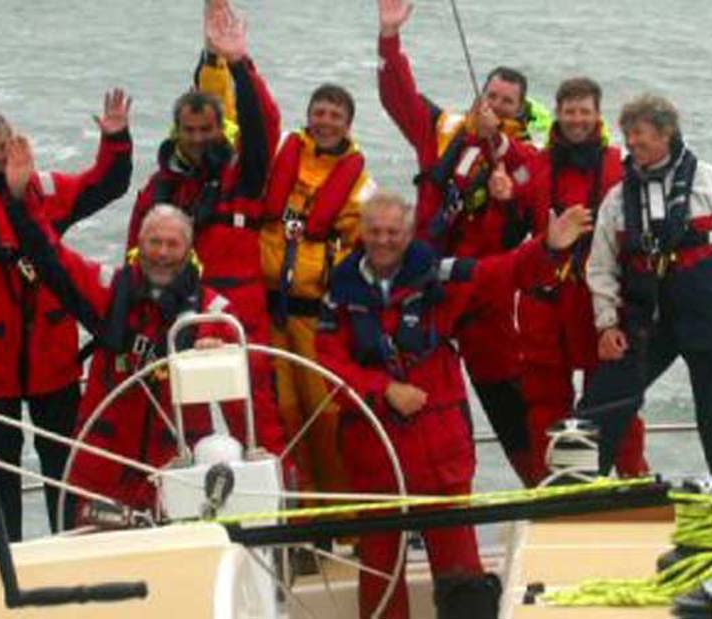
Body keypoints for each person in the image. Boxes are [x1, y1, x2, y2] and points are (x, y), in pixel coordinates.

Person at [317, 190, 592, 618]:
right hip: (372, 450)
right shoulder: (340, 291)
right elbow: (330, 365)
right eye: (374, 231)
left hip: (439, 452)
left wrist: (549, 246)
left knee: (461, 572)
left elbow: (502, 273)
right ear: (361, 233)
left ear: (408, 234)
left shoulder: (440, 276)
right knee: (379, 574)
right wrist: (384, 389)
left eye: (393, 231)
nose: (383, 240)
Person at [2, 133, 280, 511]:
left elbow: (249, 378)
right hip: (104, 459)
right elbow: (51, 260)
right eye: (154, 242)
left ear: (188, 251)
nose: (162, 253)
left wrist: (217, 353)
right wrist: (21, 202)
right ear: (139, 244)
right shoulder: (107, 290)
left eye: (172, 244)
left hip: (177, 463)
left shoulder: (214, 313)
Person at [0, 91, 132, 542]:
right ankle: (2, 567)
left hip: (54, 362)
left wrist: (116, 138)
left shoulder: (40, 189)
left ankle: (71, 550)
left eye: (4, 145)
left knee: (65, 469)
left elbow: (105, 184)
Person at [376, 0, 540, 486]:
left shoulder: (526, 156)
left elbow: (537, 198)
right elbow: (397, 96)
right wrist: (389, 37)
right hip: (429, 290)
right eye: (491, 95)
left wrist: (507, 178)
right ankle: (434, 500)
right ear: (478, 97)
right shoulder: (442, 132)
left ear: (519, 110)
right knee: (424, 406)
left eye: (507, 101)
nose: (496, 105)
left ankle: (541, 489)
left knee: (511, 404)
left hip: (487, 300)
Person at [126, 1, 285, 459]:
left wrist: (238, 64)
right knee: (182, 435)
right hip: (178, 319)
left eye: (206, 129)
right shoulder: (158, 191)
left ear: (221, 130)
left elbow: (263, 126)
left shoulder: (246, 175)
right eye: (189, 129)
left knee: (259, 430)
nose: (198, 137)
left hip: (241, 321)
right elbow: (134, 261)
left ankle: (279, 522)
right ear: (177, 132)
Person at [491, 77, 649, 482]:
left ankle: (633, 482)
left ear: (598, 115)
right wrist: (505, 197)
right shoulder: (534, 167)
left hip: (601, 303)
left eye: (584, 111)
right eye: (569, 111)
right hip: (544, 303)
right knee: (546, 404)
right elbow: (511, 227)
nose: (577, 120)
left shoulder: (621, 166)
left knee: (614, 399)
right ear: (557, 114)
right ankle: (564, 490)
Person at [579, 93, 712, 481]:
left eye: (640, 134)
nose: (631, 143)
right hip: (646, 320)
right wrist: (606, 324)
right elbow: (601, 267)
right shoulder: (617, 199)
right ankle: (574, 491)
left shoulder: (709, 183)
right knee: (601, 404)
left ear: (666, 133)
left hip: (711, 319)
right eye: (627, 135)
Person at [257, 83, 376, 497]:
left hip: (315, 319)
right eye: (319, 112)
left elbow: (368, 248)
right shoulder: (281, 160)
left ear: (348, 125)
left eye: (335, 116)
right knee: (282, 419)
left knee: (326, 418)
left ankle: (344, 515)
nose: (325, 122)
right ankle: (298, 510)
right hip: (270, 314)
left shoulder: (359, 182)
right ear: (308, 116)